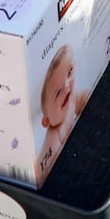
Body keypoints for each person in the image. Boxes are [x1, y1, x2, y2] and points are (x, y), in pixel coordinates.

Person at [37, 43, 89, 178]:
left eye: (69, 73)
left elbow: (84, 97)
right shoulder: (52, 138)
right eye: (58, 92)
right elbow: (43, 170)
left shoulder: (71, 99)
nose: (67, 88)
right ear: (46, 121)